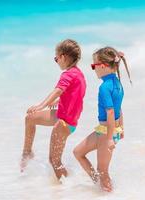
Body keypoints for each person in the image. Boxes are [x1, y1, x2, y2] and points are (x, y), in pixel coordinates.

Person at [20, 39, 86, 180]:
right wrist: (58, 102)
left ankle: (68, 188)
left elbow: (57, 90)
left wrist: (41, 105)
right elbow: (74, 95)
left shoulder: (68, 74)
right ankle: (27, 152)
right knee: (30, 118)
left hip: (65, 122)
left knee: (55, 161)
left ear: (63, 56)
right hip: (63, 116)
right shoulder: (78, 74)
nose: (56, 62)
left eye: (56, 59)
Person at [73, 46, 131, 192]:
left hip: (107, 133)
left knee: (103, 171)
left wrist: (111, 138)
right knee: (78, 152)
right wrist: (121, 129)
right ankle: (98, 185)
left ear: (103, 66)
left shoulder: (105, 87)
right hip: (108, 131)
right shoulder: (117, 83)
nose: (94, 70)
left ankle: (106, 191)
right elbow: (119, 109)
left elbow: (111, 112)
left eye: (94, 66)